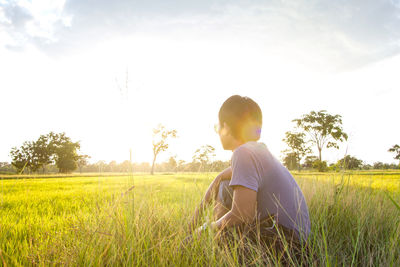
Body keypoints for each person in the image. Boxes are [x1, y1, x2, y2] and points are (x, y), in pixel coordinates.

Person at [186, 95, 311, 264]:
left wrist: (207, 228)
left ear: (226, 127)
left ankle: (217, 244)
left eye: (218, 126)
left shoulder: (243, 153)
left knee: (226, 223)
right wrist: (192, 225)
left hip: (286, 244)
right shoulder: (258, 152)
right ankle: (216, 241)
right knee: (224, 185)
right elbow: (220, 178)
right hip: (297, 243)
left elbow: (243, 214)